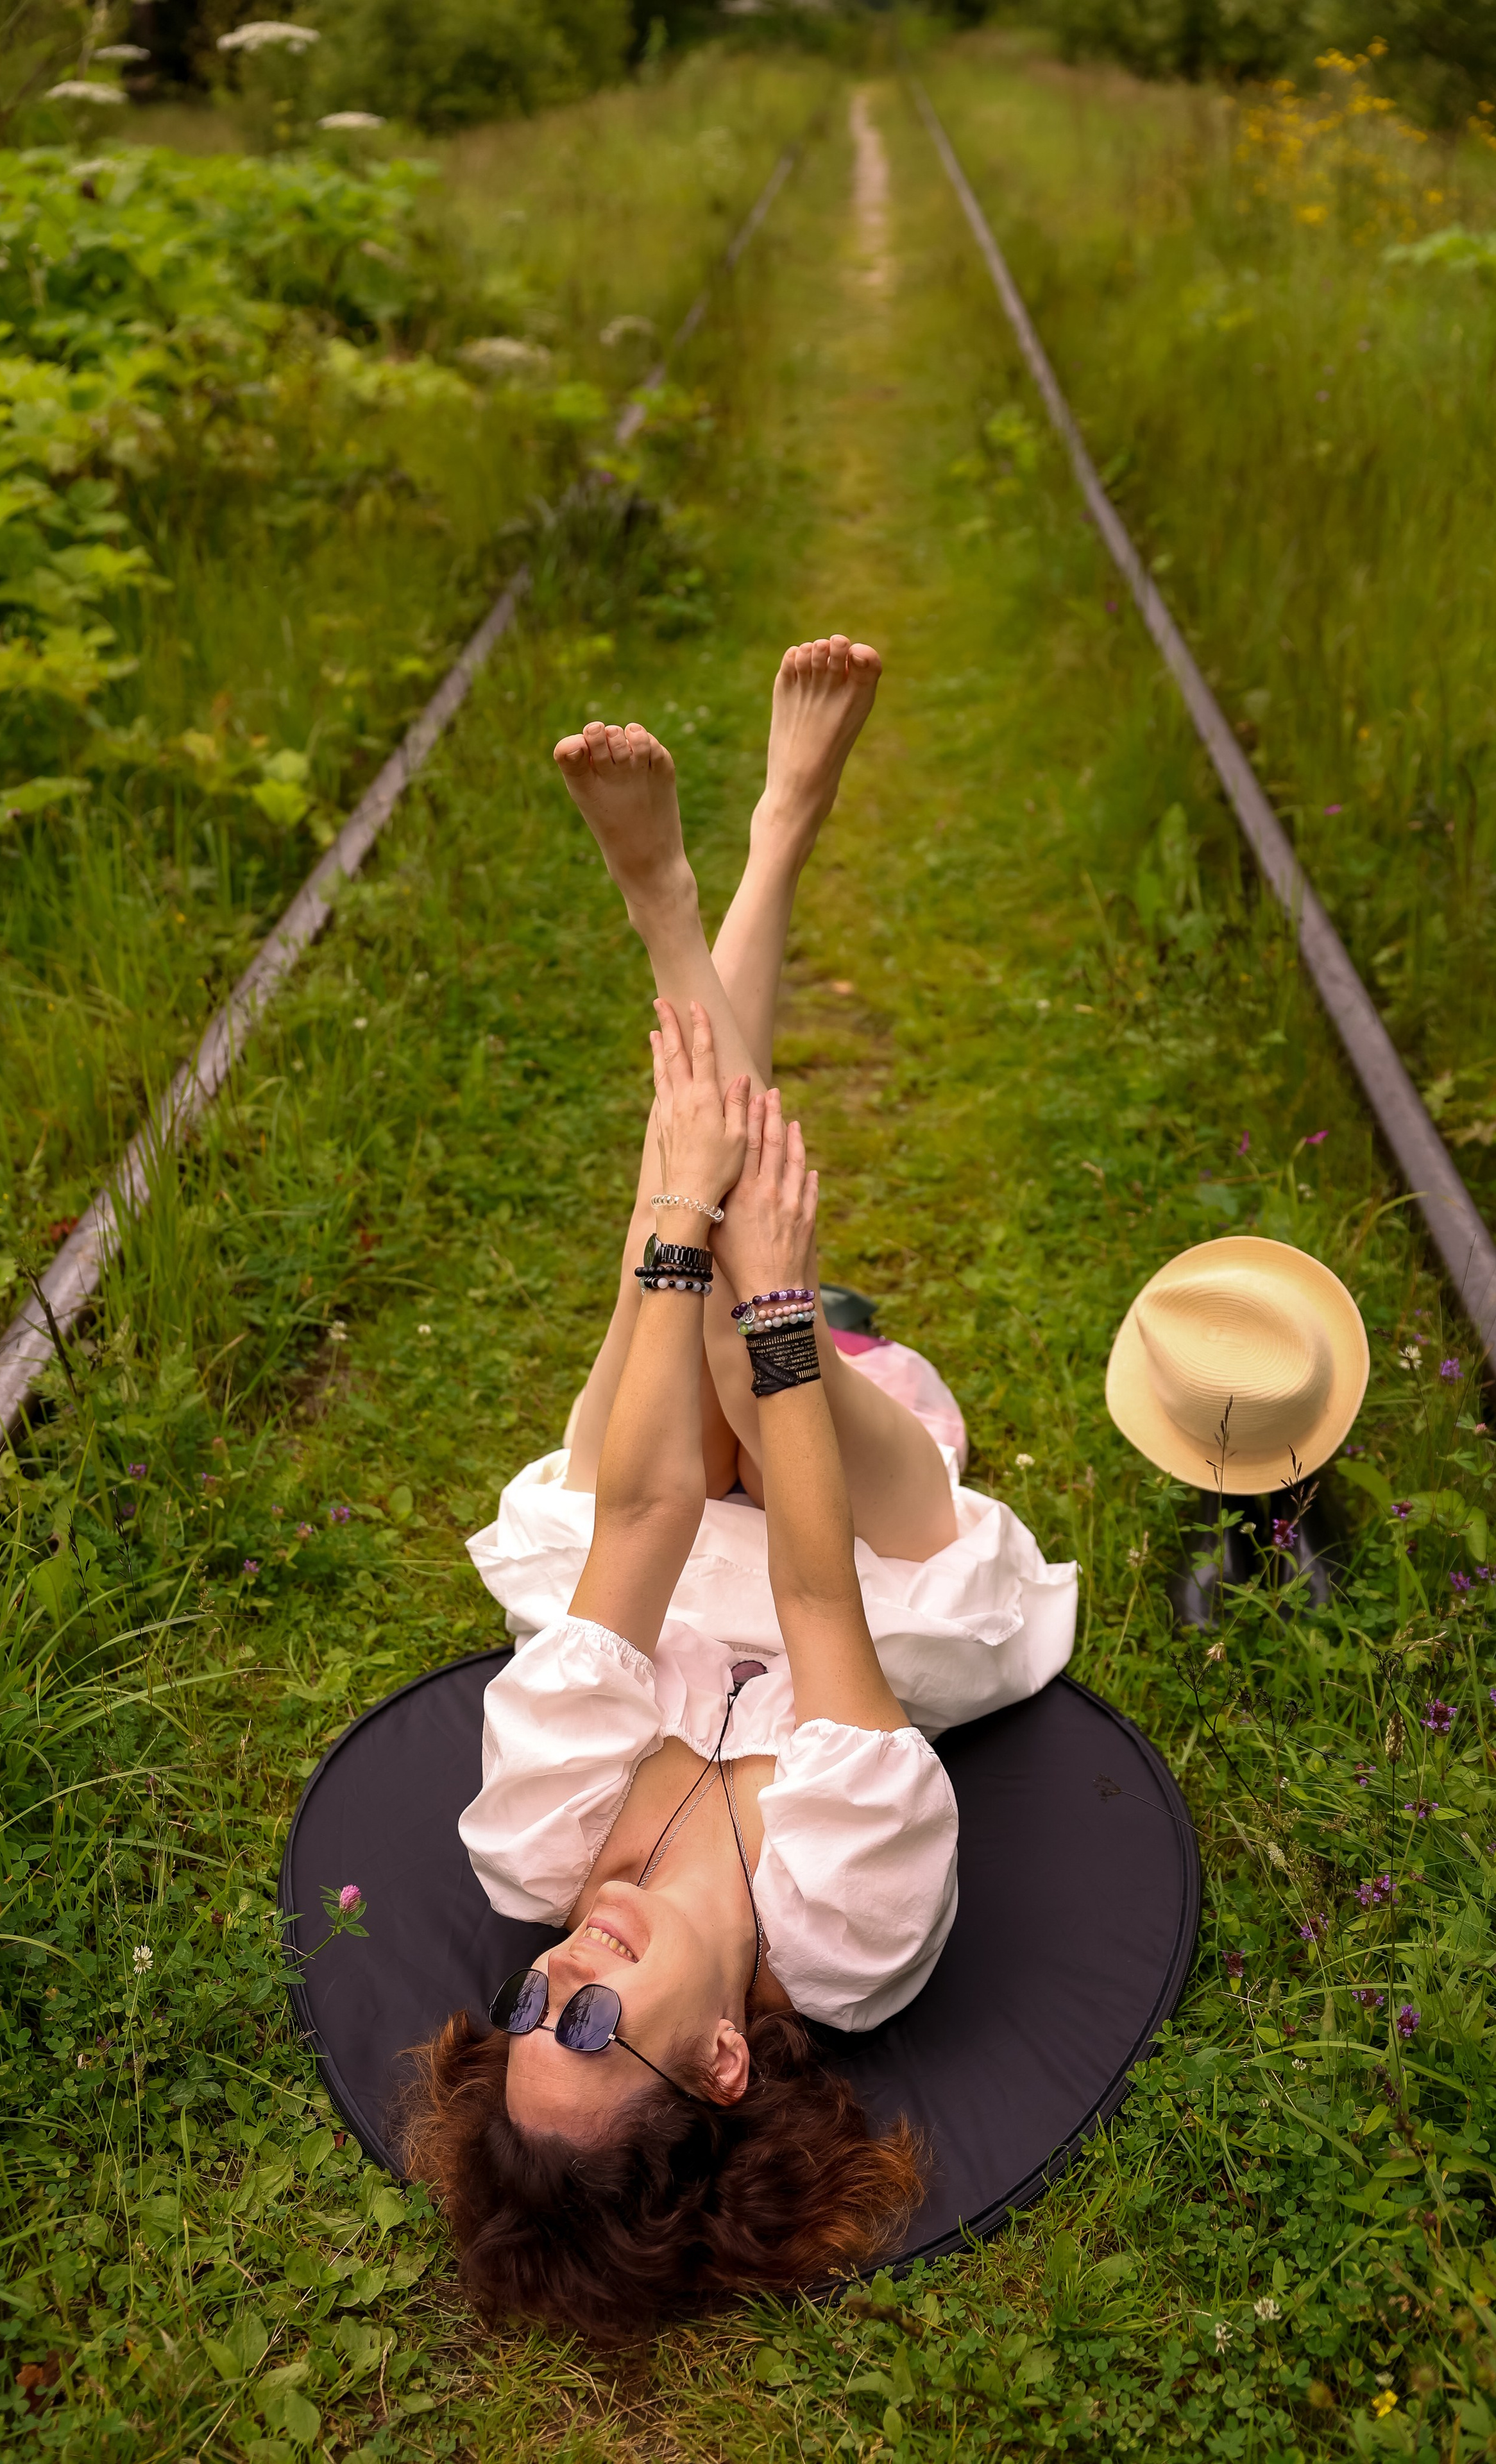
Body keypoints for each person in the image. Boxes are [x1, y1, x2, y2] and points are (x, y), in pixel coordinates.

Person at [404, 638, 1078, 2339]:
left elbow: (637, 1524)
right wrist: (780, 1310)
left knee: (671, 1279)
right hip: (878, 1576)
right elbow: (818, 1593)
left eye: (526, 2009)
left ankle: (685, 886)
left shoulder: (536, 1843)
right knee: (719, 1343)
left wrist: (681, 1230)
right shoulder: (848, 1929)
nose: (560, 1967)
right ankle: (748, 850)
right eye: (587, 2027)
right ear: (717, 2061)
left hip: (673, 1539)